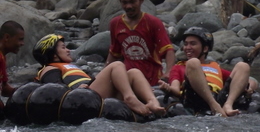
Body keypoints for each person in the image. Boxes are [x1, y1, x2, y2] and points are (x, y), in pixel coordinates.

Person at [34, 33, 165, 117]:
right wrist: (74, 92)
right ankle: (130, 98)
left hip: (96, 92)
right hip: (85, 98)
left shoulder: (72, 67)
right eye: (63, 48)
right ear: (54, 56)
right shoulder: (49, 69)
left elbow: (95, 80)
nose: (68, 50)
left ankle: (152, 102)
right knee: (117, 65)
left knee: (134, 72)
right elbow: (55, 90)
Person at [161, 27, 257, 117]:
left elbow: (250, 80)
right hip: (195, 98)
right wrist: (167, 89)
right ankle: (214, 105)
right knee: (193, 63)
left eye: (193, 44)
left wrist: (250, 87)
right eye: (186, 44)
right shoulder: (179, 67)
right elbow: (176, 89)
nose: (187, 47)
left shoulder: (215, 67)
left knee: (243, 66)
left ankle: (228, 105)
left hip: (218, 97)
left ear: (205, 48)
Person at [106, 0, 175, 86]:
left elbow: (168, 50)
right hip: (128, 79)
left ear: (141, 0)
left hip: (152, 80)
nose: (128, 6)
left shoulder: (153, 22)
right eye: (124, 2)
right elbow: (114, 54)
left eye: (133, 2)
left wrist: (169, 73)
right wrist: (102, 75)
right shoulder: (115, 24)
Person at [0, 21, 25, 114]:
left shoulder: (2, 57)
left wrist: (25, 91)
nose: (22, 43)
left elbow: (4, 89)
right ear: (7, 37)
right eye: (20, 39)